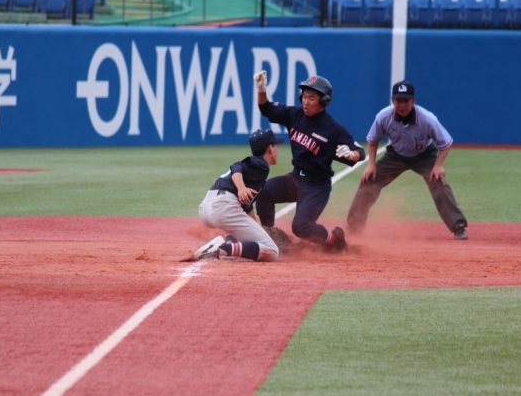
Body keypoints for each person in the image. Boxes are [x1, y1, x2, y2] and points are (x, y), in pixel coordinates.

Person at [252, 71, 366, 253]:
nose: (305, 101)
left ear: (324, 101)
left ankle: (335, 240)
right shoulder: (295, 115)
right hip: (295, 178)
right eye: (304, 96)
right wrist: (261, 89)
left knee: (301, 227)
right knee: (264, 190)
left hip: (317, 186)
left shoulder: (333, 129)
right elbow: (266, 109)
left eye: (311, 98)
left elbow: (361, 152)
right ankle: (269, 236)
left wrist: (351, 154)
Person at [346, 80, 469, 240]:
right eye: (398, 101)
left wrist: (438, 166)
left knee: (438, 183)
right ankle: (353, 228)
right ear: (393, 101)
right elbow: (373, 140)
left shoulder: (427, 119)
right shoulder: (384, 116)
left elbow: (445, 143)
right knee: (369, 180)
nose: (402, 105)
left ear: (413, 101)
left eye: (406, 101)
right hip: (395, 155)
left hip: (424, 155)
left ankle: (458, 227)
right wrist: (371, 164)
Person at [193, 128, 285, 261]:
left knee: (251, 239)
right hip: (224, 208)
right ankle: (220, 248)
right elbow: (236, 166)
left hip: (207, 208)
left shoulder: (255, 170)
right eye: (276, 145)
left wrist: (258, 230)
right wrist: (241, 188)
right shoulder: (261, 164)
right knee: (272, 251)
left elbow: (247, 206)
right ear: (271, 148)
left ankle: (229, 242)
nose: (277, 149)